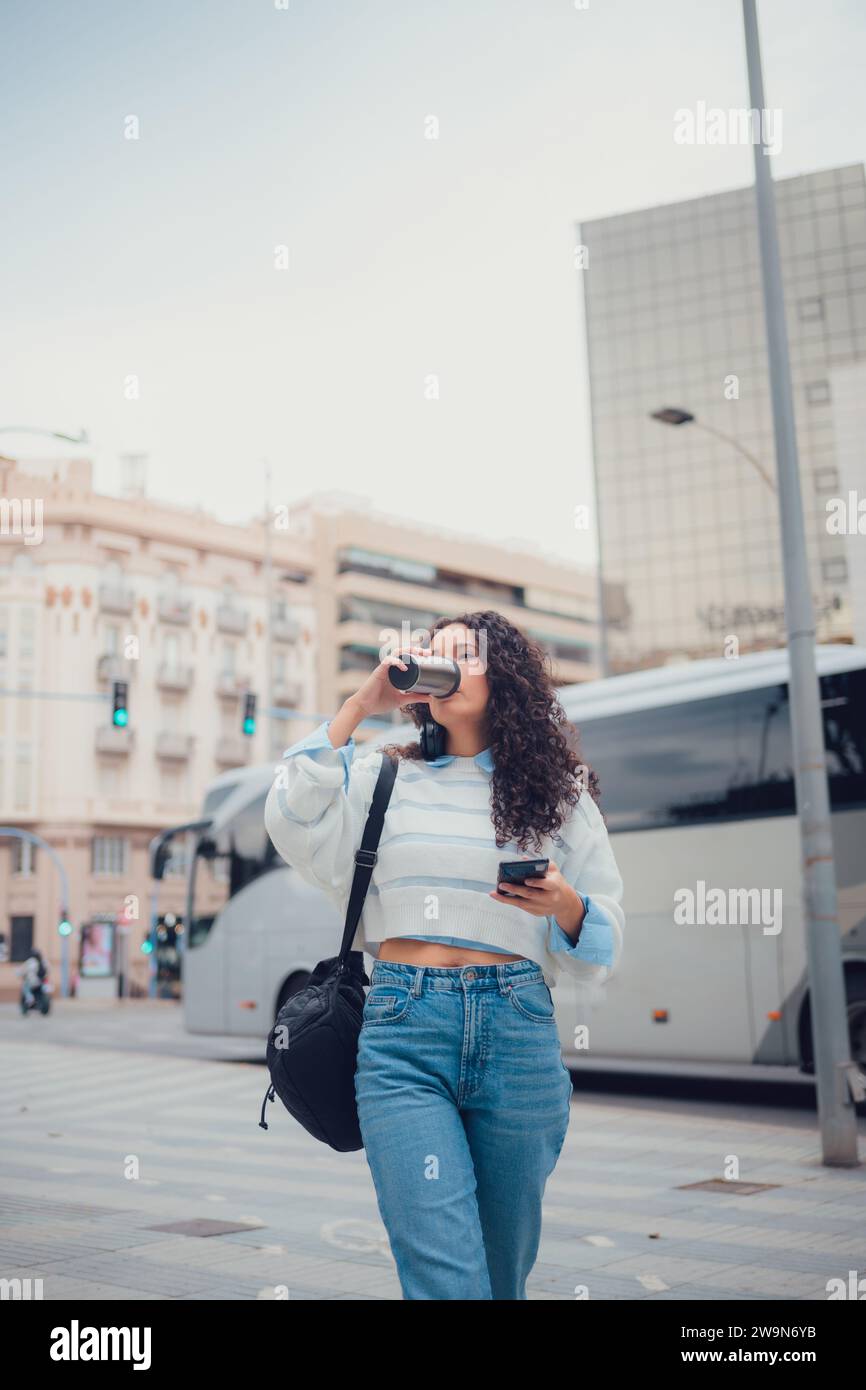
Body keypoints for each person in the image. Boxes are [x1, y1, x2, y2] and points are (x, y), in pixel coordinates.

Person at [264, 609, 625, 1300]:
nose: (444, 663)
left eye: (466, 654)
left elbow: (599, 947)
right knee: (444, 1277)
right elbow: (292, 817)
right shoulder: (383, 778)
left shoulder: (559, 795)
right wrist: (361, 703)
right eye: (433, 653)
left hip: (517, 1034)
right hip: (403, 1035)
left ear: (509, 680)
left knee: (499, 1274)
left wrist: (567, 908)